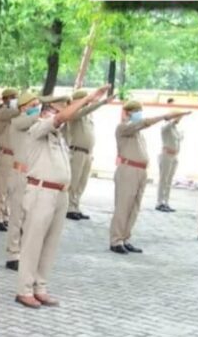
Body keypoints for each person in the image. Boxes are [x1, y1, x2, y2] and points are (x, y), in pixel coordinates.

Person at [15, 86, 111, 309]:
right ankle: (24, 290)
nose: (64, 113)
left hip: (59, 193)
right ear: (48, 111)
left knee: (50, 244)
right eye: (60, 109)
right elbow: (63, 117)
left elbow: (66, 119)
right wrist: (88, 98)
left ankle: (40, 287)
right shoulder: (37, 128)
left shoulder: (59, 136)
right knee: (33, 243)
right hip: (41, 192)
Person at [110, 101, 188, 254]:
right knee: (123, 207)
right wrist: (165, 116)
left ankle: (125, 238)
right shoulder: (123, 128)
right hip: (128, 170)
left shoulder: (139, 134)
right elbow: (144, 123)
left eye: (140, 110)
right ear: (127, 113)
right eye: (136, 111)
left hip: (140, 171)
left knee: (134, 208)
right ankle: (116, 240)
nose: (139, 113)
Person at [4, 92, 44, 270]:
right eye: (33, 105)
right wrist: (43, 111)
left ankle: (25, 253)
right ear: (23, 107)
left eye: (37, 105)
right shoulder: (18, 121)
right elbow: (31, 119)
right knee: (17, 216)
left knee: (30, 218)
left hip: (34, 176)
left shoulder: (36, 124)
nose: (37, 108)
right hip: (20, 174)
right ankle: (13, 254)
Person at [63, 89, 111, 221]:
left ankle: (75, 206)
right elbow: (84, 110)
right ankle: (68, 207)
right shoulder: (74, 112)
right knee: (74, 181)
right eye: (85, 99)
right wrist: (102, 102)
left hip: (88, 152)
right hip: (77, 151)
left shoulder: (88, 115)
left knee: (82, 182)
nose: (88, 102)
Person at [0, 88, 20, 231]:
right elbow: (16, 112)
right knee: (1, 189)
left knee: (10, 190)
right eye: (12, 97)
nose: (15, 100)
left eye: (16, 97)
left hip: (14, 156)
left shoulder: (14, 114)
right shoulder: (2, 112)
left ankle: (5, 216)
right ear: (5, 99)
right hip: (4, 155)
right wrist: (24, 106)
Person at [156, 104, 184, 213]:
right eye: (178, 116)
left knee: (169, 180)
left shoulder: (175, 129)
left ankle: (166, 201)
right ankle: (159, 202)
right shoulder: (166, 127)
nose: (179, 119)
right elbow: (168, 125)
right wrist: (174, 118)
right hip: (166, 155)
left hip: (174, 156)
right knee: (163, 179)